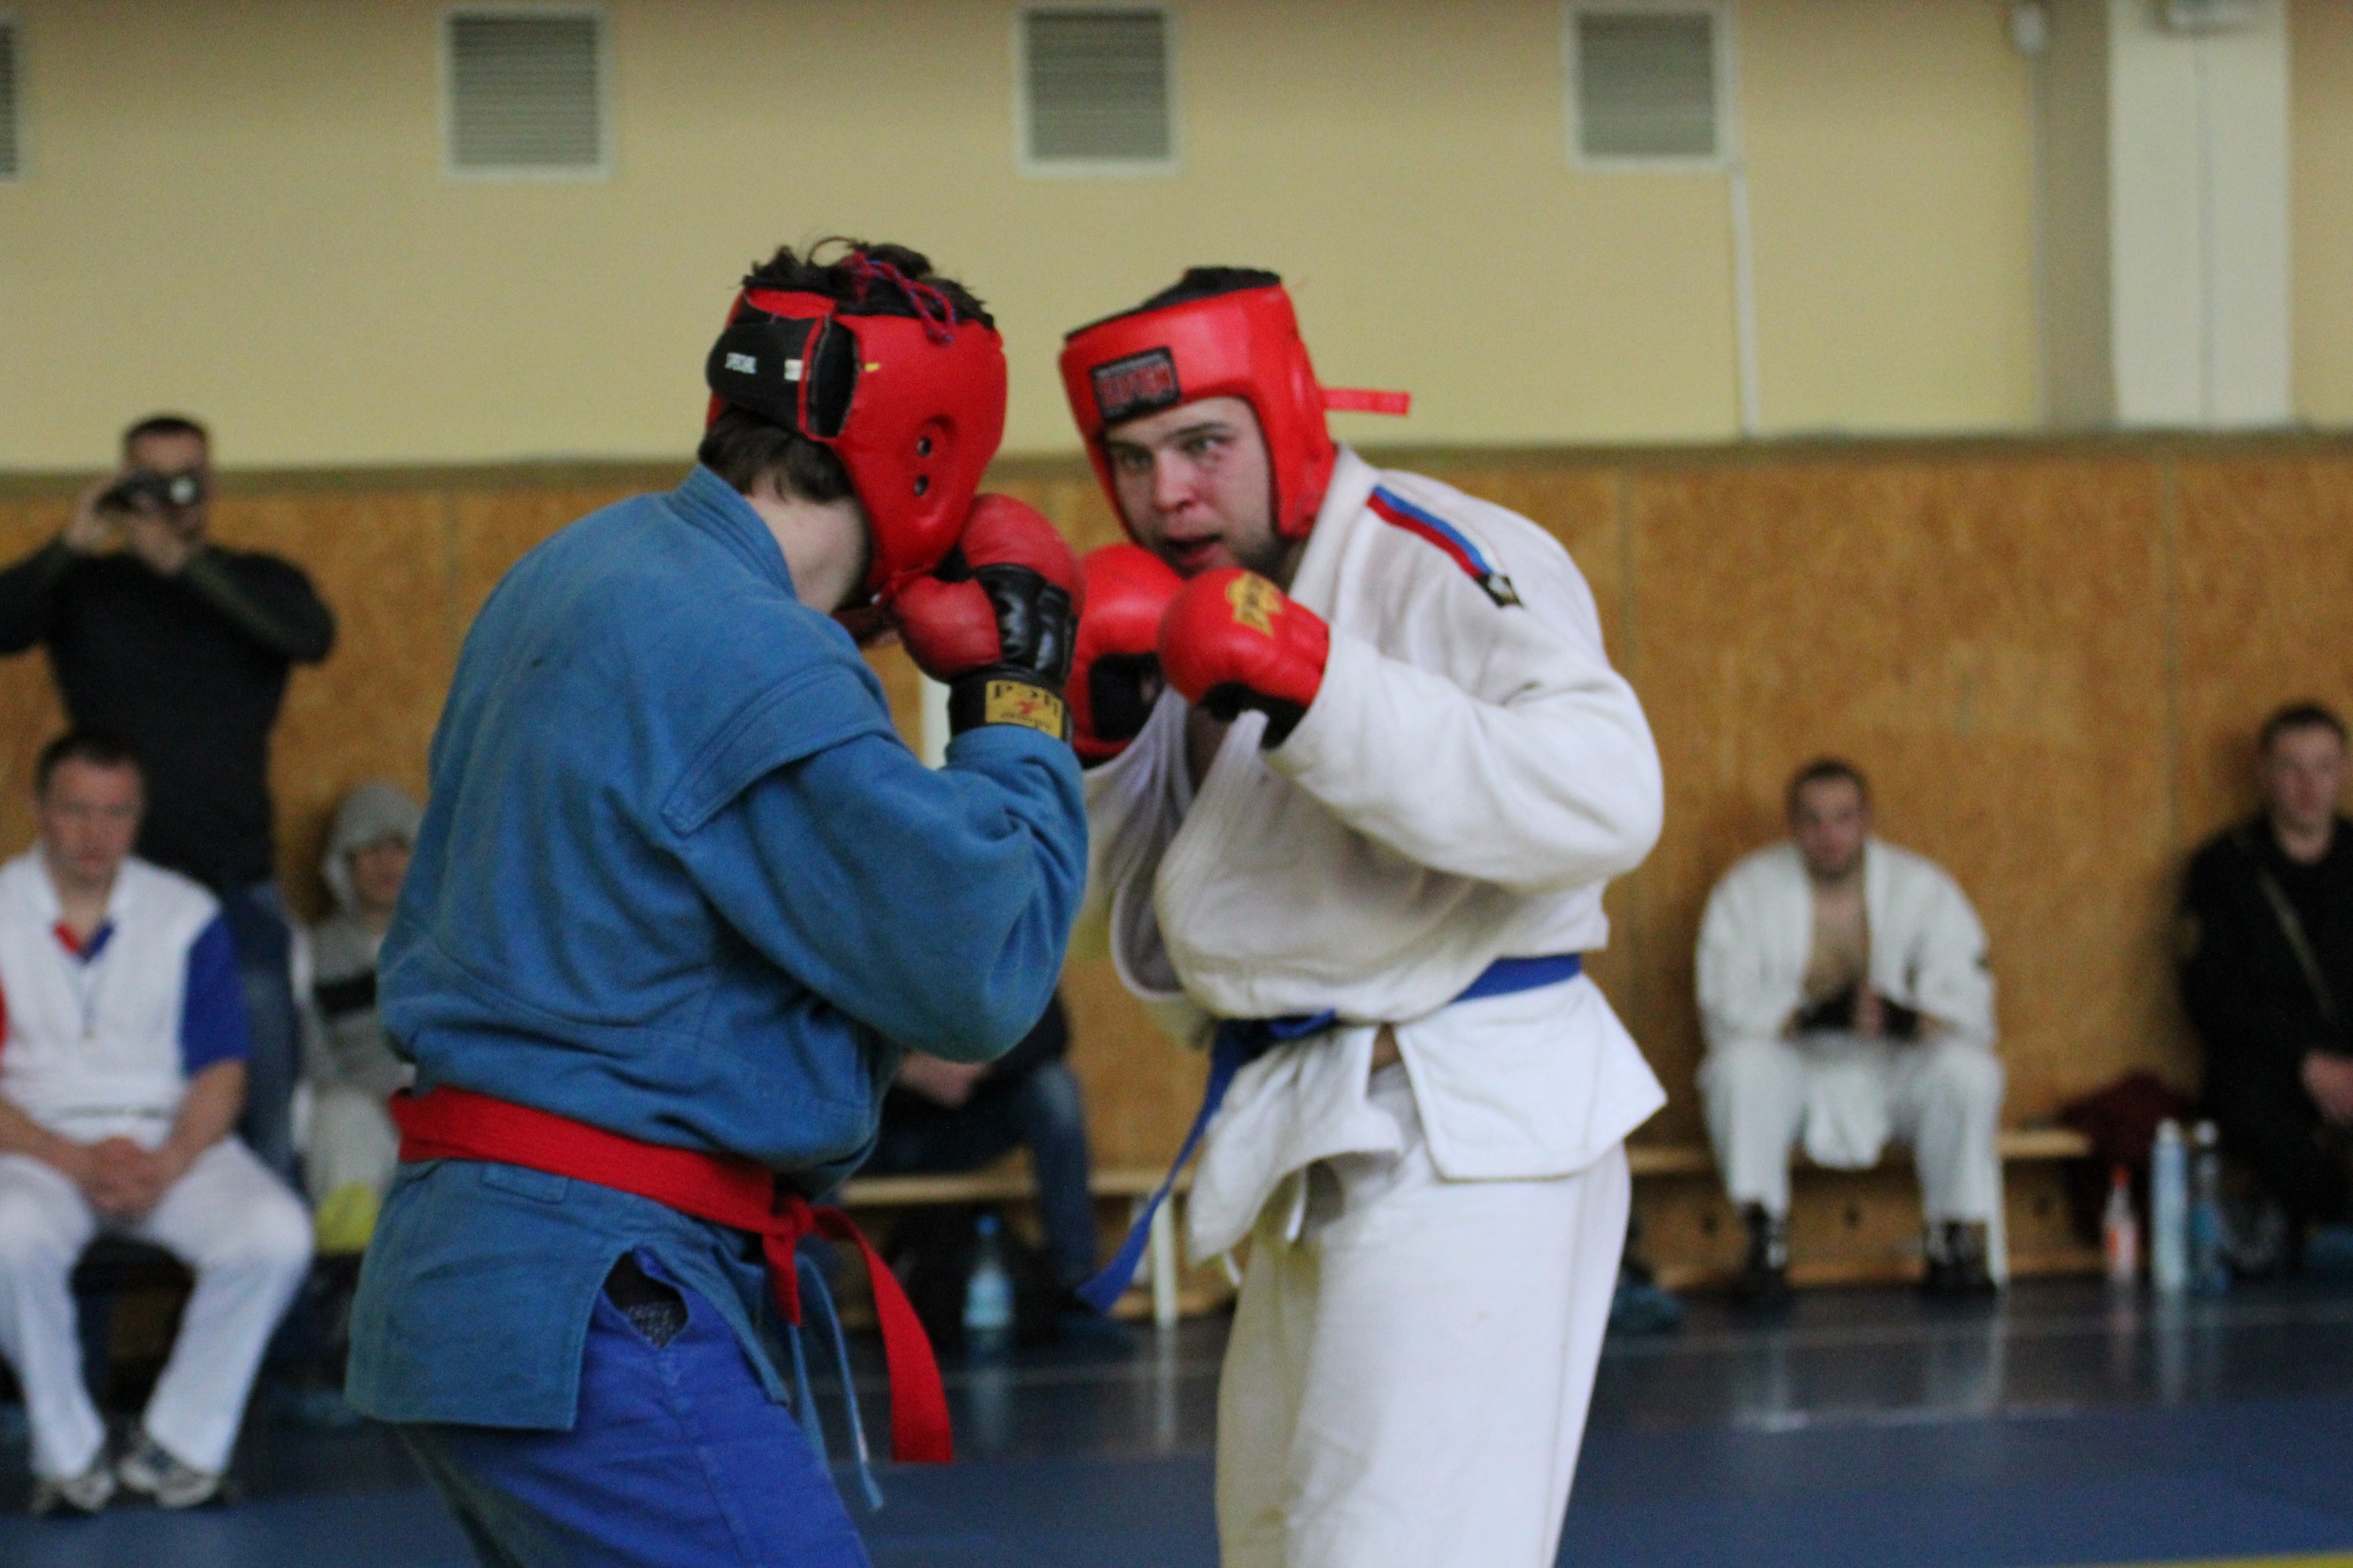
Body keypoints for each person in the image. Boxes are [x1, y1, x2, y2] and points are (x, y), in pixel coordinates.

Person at [346, 241, 1086, 1568]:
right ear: (927, 460)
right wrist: (1020, 701)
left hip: (479, 1272)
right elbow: (983, 965)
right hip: (594, 1282)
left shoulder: (581, 567)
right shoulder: (754, 656)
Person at [1061, 269, 1665, 1568]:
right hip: (1308, 1134)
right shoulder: (1173, 619)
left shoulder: (1433, 553)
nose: (1168, 494)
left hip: (1465, 1129)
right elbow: (1187, 947)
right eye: (1133, 459)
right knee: (1279, 1549)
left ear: (1288, 415)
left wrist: (1318, 685)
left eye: (1203, 445)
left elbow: (1608, 792)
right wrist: (1102, 753)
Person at [0, 415, 336, 1185]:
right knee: (83, 1069)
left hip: (230, 876)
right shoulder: (86, 586)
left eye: (186, 479)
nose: (170, 496)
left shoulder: (253, 580)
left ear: (210, 486)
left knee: (263, 1039)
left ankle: (274, 1232)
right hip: (104, 884)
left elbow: (309, 635)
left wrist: (183, 564)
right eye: (149, 480)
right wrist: (70, 543)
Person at [0, 730, 312, 1515]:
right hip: (33, 1142)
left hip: (169, 1139)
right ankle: (67, 1455)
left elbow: (222, 1071)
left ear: (139, 817)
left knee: (275, 1232)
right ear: (38, 808)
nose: (95, 832)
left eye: (116, 813)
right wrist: (73, 1158)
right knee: (6, 1236)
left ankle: (179, 1443)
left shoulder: (186, 913)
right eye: (76, 809)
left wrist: (168, 1160)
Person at [1696, 759, 2003, 1306]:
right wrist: (1812, 1015)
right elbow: (1723, 1001)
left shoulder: (1921, 888)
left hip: (1894, 1068)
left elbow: (1970, 1000)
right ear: (1793, 823)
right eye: (1813, 820)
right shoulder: (1748, 891)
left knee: (1969, 1070)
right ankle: (1764, 1236)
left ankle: (1953, 1234)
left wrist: (1906, 1019)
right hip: (1796, 1067)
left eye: (1843, 818)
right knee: (1738, 1068)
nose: (1829, 835)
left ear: (1866, 819)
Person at [2180, 702, 2353, 1243]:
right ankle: (2338, 1219)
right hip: (2273, 1062)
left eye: (2324, 767)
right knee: (2246, 1101)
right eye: (2292, 767)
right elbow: (2212, 995)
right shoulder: (2223, 868)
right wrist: (2308, 1064)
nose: (2309, 786)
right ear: (2264, 773)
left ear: (2345, 771)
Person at [864, 992, 1104, 1316]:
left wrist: (978, 1065)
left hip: (970, 1125)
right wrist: (904, 1070)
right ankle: (810, 1303)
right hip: (873, 1130)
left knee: (1055, 1086)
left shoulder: (997, 960)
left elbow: (1052, 1029)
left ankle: (1076, 1285)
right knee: (809, 1116)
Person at [298, 781, 423, 1253]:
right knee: (338, 1116)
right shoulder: (314, 952)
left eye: (398, 848)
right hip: (360, 1119)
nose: (385, 864)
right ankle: (348, 1269)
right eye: (369, 850)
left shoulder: (450, 948)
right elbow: (313, 1056)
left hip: (440, 1111)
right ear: (343, 863)